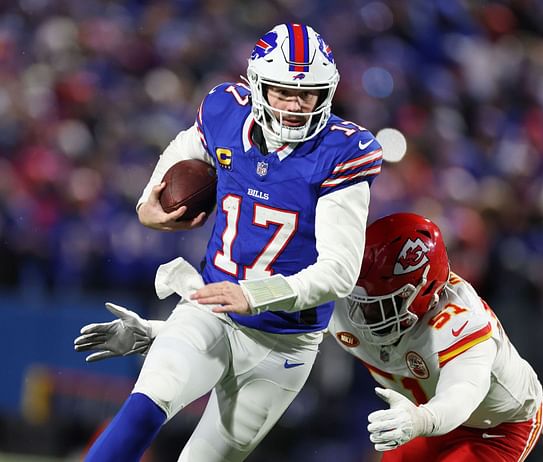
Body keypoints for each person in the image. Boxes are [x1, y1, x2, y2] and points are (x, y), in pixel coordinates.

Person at [79, 22, 382, 462]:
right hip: (209, 308)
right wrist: (149, 201)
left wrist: (253, 294)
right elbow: (185, 148)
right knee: (146, 405)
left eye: (308, 94)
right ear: (258, 85)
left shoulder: (343, 153)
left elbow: (338, 272)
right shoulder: (226, 112)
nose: (296, 106)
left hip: (285, 345)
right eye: (283, 91)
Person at [77, 213, 543, 461]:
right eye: (361, 300)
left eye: (383, 304)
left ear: (423, 291)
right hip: (421, 413)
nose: (364, 317)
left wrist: (418, 421)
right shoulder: (350, 301)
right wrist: (160, 334)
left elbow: (462, 398)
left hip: (496, 423)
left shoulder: (460, 321)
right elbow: (249, 335)